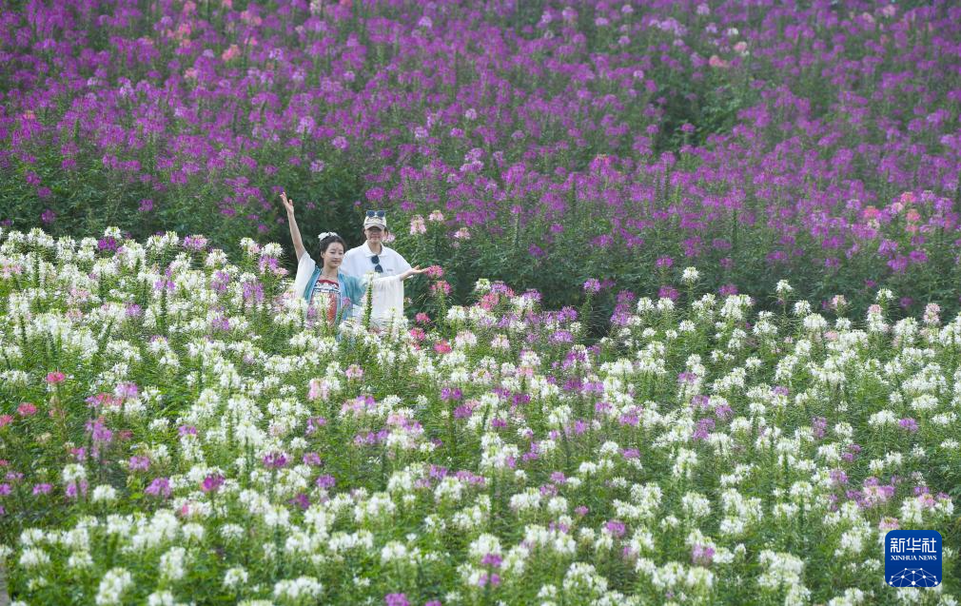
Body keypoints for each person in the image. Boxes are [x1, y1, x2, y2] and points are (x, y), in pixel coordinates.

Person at [281, 192, 424, 329]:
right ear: (323, 253)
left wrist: (402, 276)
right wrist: (290, 215)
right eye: (332, 252)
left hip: (336, 337)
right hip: (309, 332)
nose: (337, 256)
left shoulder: (348, 283)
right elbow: (298, 245)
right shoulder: (312, 273)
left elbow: (374, 285)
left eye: (340, 253)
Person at [341, 210, 412, 279]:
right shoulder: (351, 255)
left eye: (378, 229)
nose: (374, 233)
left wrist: (413, 272)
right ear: (365, 231)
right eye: (370, 229)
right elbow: (339, 277)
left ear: (384, 232)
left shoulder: (393, 256)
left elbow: (408, 272)